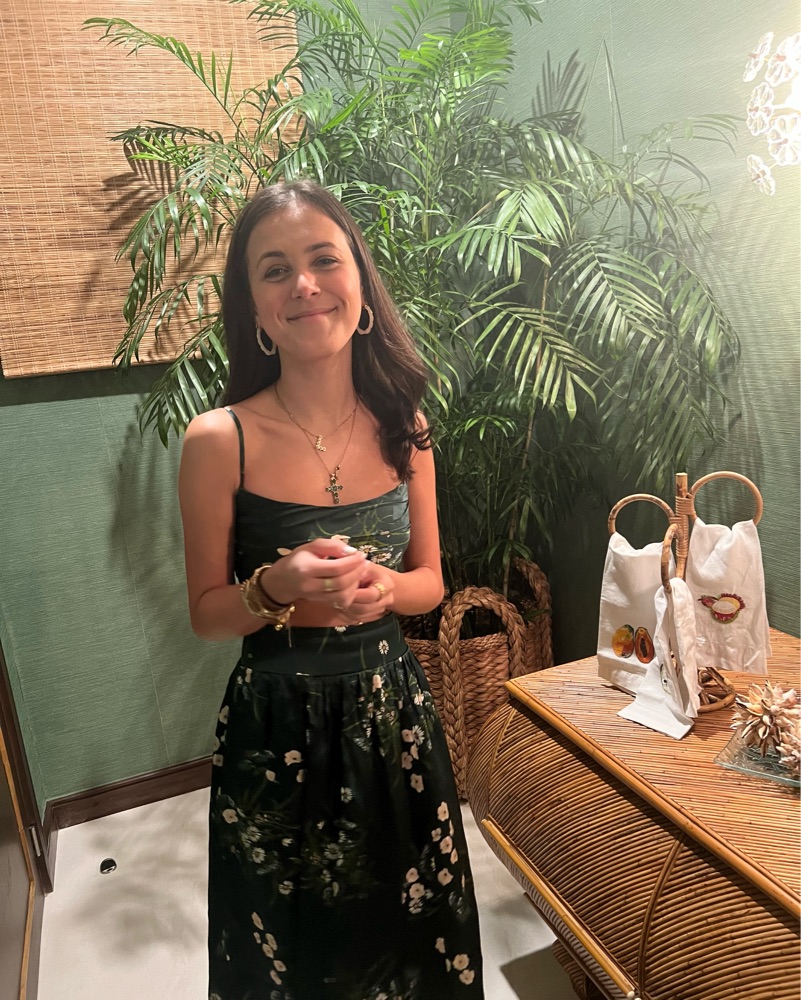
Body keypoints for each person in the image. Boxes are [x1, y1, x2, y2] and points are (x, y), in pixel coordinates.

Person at [178, 180, 484, 999]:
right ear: (253, 306)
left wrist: (385, 590)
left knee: (410, 936)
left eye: (323, 260)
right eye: (274, 270)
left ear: (360, 283)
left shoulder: (406, 425)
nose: (304, 284)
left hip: (393, 720)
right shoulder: (219, 439)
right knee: (294, 951)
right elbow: (206, 615)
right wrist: (273, 586)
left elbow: (430, 583)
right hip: (274, 726)